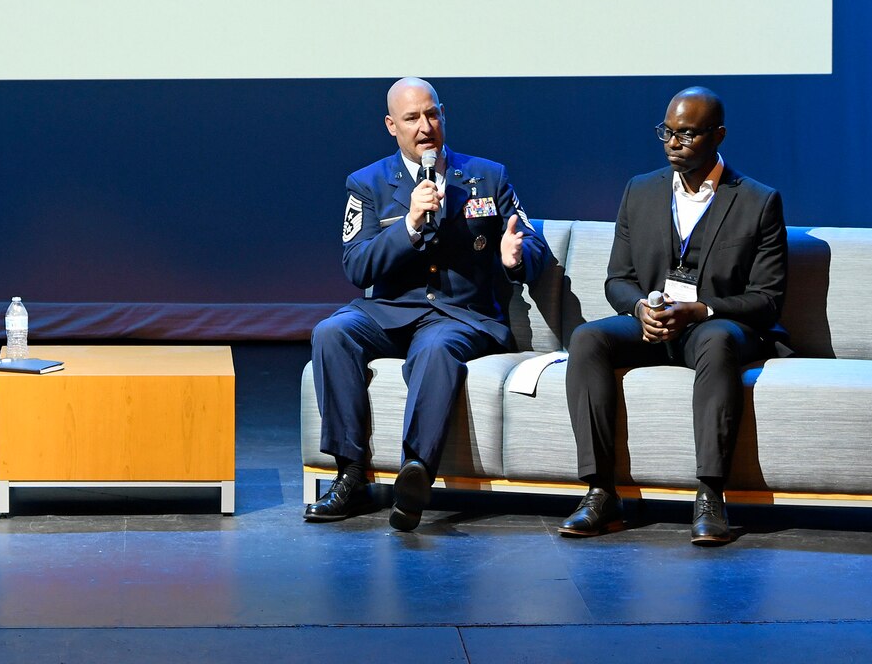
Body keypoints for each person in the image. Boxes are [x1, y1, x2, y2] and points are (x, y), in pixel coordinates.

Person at [307, 78, 553, 530]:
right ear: (391, 126)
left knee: (435, 347)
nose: (425, 127)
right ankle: (350, 474)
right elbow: (357, 267)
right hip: (390, 311)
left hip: (462, 315)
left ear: (443, 115)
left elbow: (534, 248)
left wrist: (515, 259)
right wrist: (409, 225)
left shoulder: (486, 176)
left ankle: (414, 473)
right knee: (331, 331)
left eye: (432, 114)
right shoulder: (367, 183)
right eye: (412, 118)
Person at [558, 86, 789, 546]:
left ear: (718, 135)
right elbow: (617, 280)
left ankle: (709, 495)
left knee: (718, 340)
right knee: (587, 339)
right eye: (667, 132)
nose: (672, 143)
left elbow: (767, 300)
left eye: (686, 134)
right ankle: (600, 492)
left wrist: (702, 309)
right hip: (654, 322)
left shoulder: (758, 201)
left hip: (715, 326)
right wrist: (639, 307)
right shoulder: (640, 191)